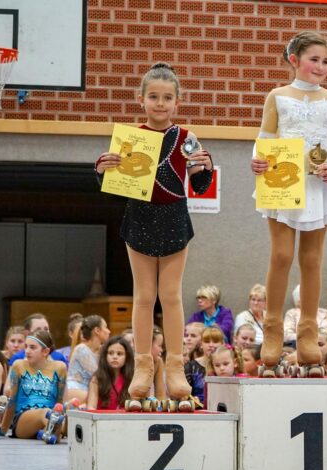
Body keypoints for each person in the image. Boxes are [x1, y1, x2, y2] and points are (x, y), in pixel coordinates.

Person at [95, 62, 214, 412]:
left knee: (171, 295)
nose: (160, 104)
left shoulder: (186, 137)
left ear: (177, 102)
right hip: (140, 219)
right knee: (145, 296)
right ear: (141, 99)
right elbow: (115, 192)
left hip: (174, 220)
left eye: (167, 98)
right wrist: (102, 171)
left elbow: (199, 185)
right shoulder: (131, 139)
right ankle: (143, 366)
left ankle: (175, 366)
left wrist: (204, 167)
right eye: (153, 97)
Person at [250, 31, 327, 378]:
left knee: (311, 260)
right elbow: (264, 139)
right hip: (281, 182)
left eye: (326, 61)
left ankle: (308, 335)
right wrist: (257, 159)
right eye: (314, 59)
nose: (321, 66)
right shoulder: (277, 96)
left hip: (319, 185)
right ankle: (272, 331)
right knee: (281, 255)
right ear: (295, 60)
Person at [0, 331, 67, 441]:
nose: (27, 351)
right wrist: (3, 429)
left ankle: (47, 432)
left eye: (32, 347)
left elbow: (59, 400)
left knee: (57, 414)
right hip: (23, 419)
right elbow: (13, 401)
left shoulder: (60, 368)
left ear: (45, 351)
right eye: (26, 347)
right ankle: (54, 429)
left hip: (52, 414)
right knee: (45, 413)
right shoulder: (19, 365)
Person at [65, 315, 110, 405]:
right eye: (105, 327)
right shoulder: (81, 349)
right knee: (103, 400)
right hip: (75, 389)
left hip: (88, 390)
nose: (109, 331)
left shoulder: (100, 351)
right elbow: (98, 375)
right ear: (97, 331)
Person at [86, 336, 134, 410]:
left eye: (119, 354)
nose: (115, 357)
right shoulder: (97, 379)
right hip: (100, 417)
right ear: (105, 356)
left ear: (127, 357)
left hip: (124, 417)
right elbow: (91, 407)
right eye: (111, 353)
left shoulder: (132, 378)